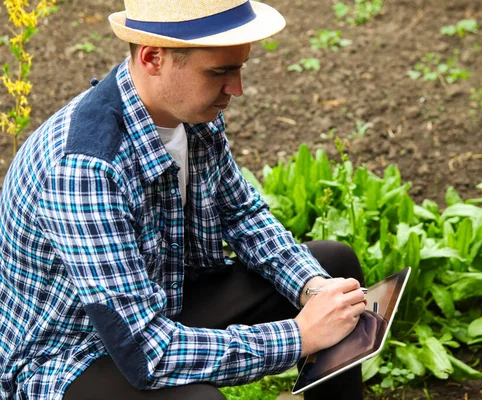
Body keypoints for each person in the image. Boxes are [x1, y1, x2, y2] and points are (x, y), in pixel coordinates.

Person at [0, 0, 367, 399]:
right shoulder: (83, 169)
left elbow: (243, 216)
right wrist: (299, 336)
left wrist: (312, 291)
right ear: (153, 57)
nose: (237, 88)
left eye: (239, 67)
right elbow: (145, 354)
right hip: (72, 357)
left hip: (159, 302)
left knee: (334, 273)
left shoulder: (193, 115)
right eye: (220, 71)